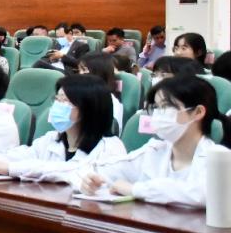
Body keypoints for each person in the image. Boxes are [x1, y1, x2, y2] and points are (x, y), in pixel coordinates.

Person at [76, 75, 231, 207]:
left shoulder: (219, 158)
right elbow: (100, 168)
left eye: (166, 107)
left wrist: (135, 189)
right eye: (156, 107)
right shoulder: (154, 151)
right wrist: (88, 179)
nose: (158, 114)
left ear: (198, 112)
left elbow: (203, 194)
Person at [0, 75, 125, 181]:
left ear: (89, 109)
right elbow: (24, 155)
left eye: (65, 101)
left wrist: (11, 168)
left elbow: (73, 171)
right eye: (57, 99)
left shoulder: (111, 147)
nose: (57, 105)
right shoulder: (51, 139)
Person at [78, 52, 124, 132]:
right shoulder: (80, 94)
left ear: (99, 72)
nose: (80, 74)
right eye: (79, 70)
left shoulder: (111, 102)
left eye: (84, 70)